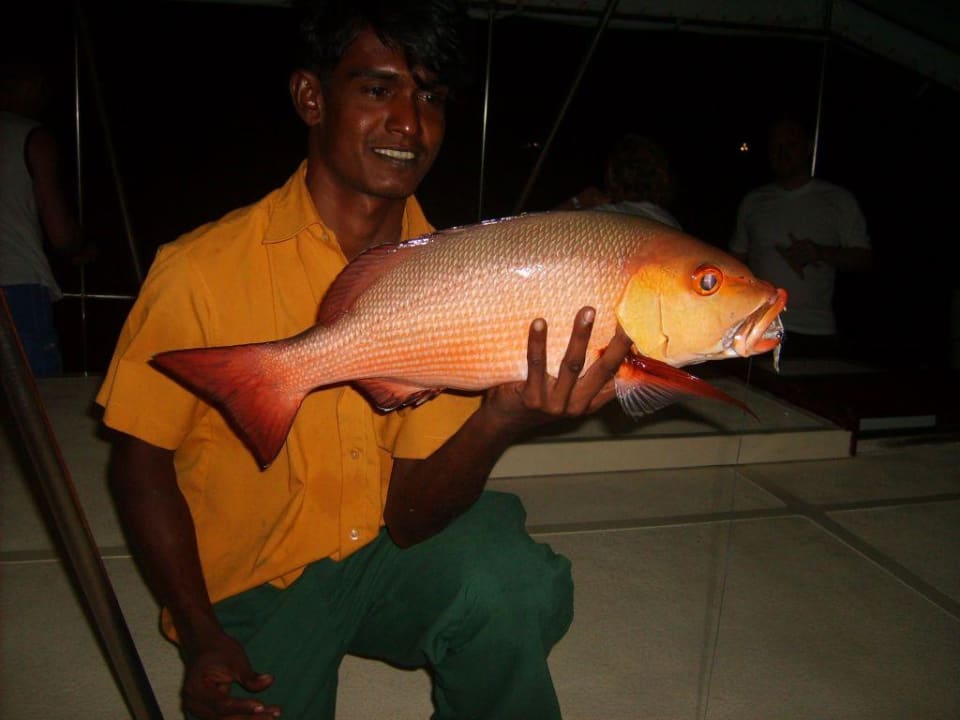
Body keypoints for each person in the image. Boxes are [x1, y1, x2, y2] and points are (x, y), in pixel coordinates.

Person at [96, 2, 632, 718]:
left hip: (384, 551)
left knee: (514, 583)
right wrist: (201, 635)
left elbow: (411, 520)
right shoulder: (198, 271)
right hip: (253, 583)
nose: (411, 124)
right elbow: (137, 462)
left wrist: (501, 418)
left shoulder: (459, 275)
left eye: (431, 96)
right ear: (312, 99)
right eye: (378, 90)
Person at [729, 114, 872, 358]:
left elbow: (864, 258)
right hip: (758, 326)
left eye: (791, 145)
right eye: (776, 146)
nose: (783, 152)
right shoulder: (753, 201)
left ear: (807, 149)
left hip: (814, 330)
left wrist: (820, 252)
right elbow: (735, 261)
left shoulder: (837, 199)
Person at [0, 60, 89, 376]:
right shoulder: (32, 137)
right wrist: (80, 247)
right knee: (37, 397)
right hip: (16, 285)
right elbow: (61, 236)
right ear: (27, 85)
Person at [558, 133, 682, 230]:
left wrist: (577, 201)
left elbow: (545, 237)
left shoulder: (605, 216)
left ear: (613, 175)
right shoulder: (672, 225)